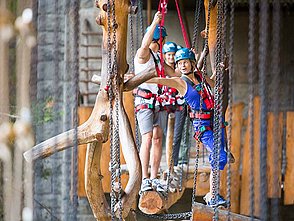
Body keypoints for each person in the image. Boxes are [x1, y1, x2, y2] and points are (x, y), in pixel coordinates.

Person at [147, 47, 232, 207]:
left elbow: (214, 82)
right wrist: (137, 79)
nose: (183, 66)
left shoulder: (200, 76)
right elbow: (159, 80)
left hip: (215, 121)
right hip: (203, 126)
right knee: (220, 156)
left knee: (219, 155)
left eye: (185, 62)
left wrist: (222, 69)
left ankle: (213, 195)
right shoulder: (180, 82)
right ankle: (212, 195)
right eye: (179, 64)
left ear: (192, 63)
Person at [133, 11, 178, 195]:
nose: (165, 44)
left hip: (158, 102)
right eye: (164, 40)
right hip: (144, 101)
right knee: (148, 137)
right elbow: (145, 43)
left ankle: (154, 177)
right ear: (158, 39)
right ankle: (144, 179)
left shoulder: (158, 58)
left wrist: (190, 65)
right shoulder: (143, 55)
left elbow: (173, 74)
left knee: (158, 138)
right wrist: (155, 22)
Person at [162, 42, 188, 167]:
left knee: (178, 134)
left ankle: (177, 161)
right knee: (166, 134)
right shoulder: (161, 68)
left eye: (173, 55)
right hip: (165, 104)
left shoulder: (179, 68)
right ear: (165, 56)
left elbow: (179, 72)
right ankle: (168, 161)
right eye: (169, 55)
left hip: (179, 104)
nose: (171, 58)